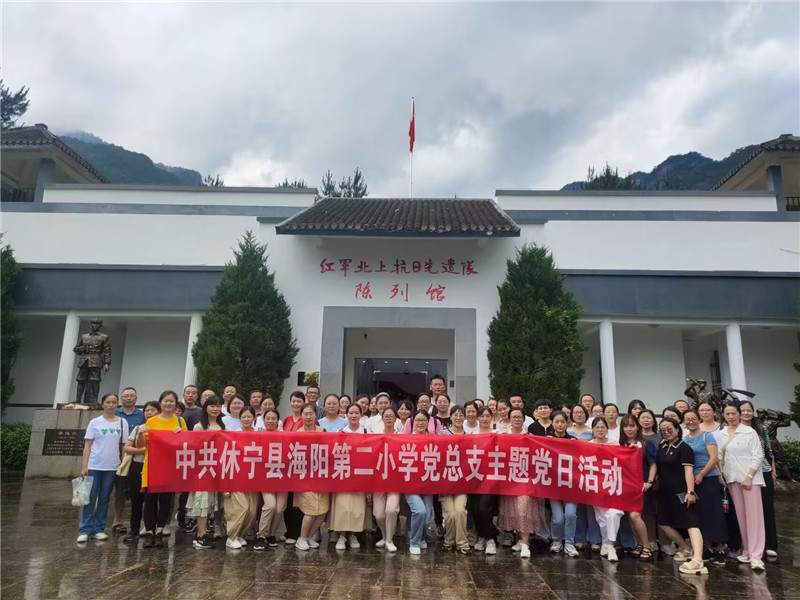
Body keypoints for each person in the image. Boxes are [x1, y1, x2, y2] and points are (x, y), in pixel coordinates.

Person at [718, 402, 766, 571]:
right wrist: (722, 475)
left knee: (754, 517)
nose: (731, 417)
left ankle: (756, 555)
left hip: (750, 479)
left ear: (739, 414)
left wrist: (749, 476)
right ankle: (746, 550)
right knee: (741, 516)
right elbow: (719, 457)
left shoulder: (749, 432)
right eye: (727, 414)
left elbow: (758, 455)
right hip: (732, 479)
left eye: (734, 413)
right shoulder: (722, 434)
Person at [656, 417, 707, 574]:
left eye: (669, 429)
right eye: (663, 430)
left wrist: (690, 492)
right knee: (664, 523)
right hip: (665, 492)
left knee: (691, 523)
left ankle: (698, 560)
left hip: (682, 491)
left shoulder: (684, 448)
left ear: (677, 429)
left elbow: (688, 471)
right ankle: (687, 549)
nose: (666, 432)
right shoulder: (662, 446)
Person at [77, 393, 129, 543]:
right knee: (90, 497)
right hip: (95, 465)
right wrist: (84, 466)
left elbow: (124, 445)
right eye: (108, 402)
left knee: (105, 497)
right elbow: (87, 445)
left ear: (117, 404)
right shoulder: (95, 422)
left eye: (114, 402)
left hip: (112, 466)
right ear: (103, 404)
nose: (111, 405)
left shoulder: (122, 422)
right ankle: (84, 530)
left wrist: (123, 464)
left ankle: (98, 529)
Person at [137, 390, 187, 547]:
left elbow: (186, 444)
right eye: (166, 401)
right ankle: (149, 532)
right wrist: (140, 433)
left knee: (166, 500)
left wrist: (180, 435)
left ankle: (159, 531)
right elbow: (141, 444)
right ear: (160, 403)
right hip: (152, 466)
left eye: (172, 401)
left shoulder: (179, 421)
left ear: (176, 404)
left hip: (170, 466)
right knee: (150, 500)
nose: (168, 403)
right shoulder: (151, 421)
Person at [683, 409, 727, 565]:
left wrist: (701, 474)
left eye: (693, 419)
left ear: (698, 419)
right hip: (692, 481)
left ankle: (720, 547)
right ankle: (707, 546)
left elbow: (714, 458)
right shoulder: (685, 439)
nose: (691, 422)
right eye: (687, 419)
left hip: (708, 478)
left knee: (714, 512)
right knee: (700, 514)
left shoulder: (707, 436)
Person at [498, 408, 539, 558]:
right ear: (509, 419)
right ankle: (519, 539)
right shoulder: (502, 436)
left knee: (524, 508)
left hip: (526, 479)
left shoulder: (530, 437)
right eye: (514, 417)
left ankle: (525, 543)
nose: (516, 419)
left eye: (519, 417)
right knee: (513, 510)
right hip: (509, 479)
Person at [740, 400, 778, 559]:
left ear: (753, 412)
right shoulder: (734, 429)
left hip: (763, 470)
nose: (746, 413)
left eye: (749, 410)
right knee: (747, 510)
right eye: (743, 410)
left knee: (767, 507)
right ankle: (749, 544)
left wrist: (773, 472)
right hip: (743, 473)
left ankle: (770, 544)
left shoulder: (762, 428)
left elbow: (769, 451)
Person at [331, 404, 368, 550]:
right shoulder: (340, 432)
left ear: (361, 414)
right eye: (351, 413)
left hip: (360, 475)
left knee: (357, 507)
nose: (353, 415)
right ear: (346, 415)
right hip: (343, 474)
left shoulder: (366, 432)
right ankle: (342, 535)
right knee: (343, 506)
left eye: (356, 413)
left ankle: (353, 535)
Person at [618, 415, 655, 562]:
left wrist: (649, 482)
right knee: (630, 517)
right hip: (625, 487)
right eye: (626, 426)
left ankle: (647, 545)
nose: (629, 429)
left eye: (632, 425)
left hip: (641, 486)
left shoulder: (646, 444)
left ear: (637, 427)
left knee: (635, 516)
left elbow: (653, 464)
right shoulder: (619, 445)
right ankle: (639, 543)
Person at [190, 395, 225, 550]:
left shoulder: (221, 426)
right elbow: (194, 446)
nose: (215, 409)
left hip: (217, 469)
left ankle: (203, 532)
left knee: (211, 502)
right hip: (203, 469)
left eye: (218, 406)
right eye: (212, 406)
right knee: (202, 501)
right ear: (206, 408)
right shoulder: (199, 426)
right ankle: (200, 534)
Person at [122, 400, 160, 544]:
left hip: (155, 467)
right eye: (147, 410)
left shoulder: (162, 428)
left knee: (151, 500)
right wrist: (143, 450)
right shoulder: (139, 428)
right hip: (138, 466)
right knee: (136, 499)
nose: (149, 413)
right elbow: (127, 448)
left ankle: (150, 529)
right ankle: (134, 529)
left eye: (153, 410)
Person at [111, 386, 145, 535]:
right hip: (116, 456)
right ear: (121, 398)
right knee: (119, 491)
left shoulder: (141, 415)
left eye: (132, 396)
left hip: (135, 458)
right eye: (126, 396)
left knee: (135, 492)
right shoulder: (115, 413)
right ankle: (117, 520)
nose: (129, 398)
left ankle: (139, 523)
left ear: (136, 398)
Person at [224, 407, 259, 549]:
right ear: (239, 418)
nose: (246, 419)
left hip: (253, 478)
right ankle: (231, 536)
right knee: (242, 507)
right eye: (243, 417)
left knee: (252, 510)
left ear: (254, 418)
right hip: (237, 477)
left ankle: (240, 534)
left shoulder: (259, 435)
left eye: (249, 416)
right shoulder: (233, 435)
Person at [295, 403, 329, 550]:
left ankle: (309, 537)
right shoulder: (297, 433)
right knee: (311, 509)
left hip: (321, 476)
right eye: (305, 414)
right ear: (301, 415)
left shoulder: (323, 431)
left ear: (316, 415)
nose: (308, 417)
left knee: (322, 511)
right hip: (305, 476)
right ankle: (301, 538)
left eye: (311, 414)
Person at [588, 417, 622, 562]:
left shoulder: (615, 444)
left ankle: (611, 545)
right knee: (602, 518)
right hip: (596, 486)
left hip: (613, 485)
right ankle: (605, 542)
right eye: (597, 427)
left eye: (603, 427)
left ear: (607, 429)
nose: (600, 430)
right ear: (593, 430)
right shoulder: (588, 445)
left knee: (614, 513)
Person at [254, 408, 287, 550]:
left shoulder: (285, 436)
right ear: (263, 420)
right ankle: (261, 535)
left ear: (278, 420)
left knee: (279, 509)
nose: (270, 421)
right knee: (270, 505)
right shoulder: (258, 436)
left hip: (282, 477)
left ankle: (271, 534)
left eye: (273, 418)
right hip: (265, 477)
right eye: (268, 418)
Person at [438, 406, 470, 554]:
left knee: (460, 511)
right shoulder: (442, 434)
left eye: (461, 415)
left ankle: (462, 543)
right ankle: (449, 541)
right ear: (450, 417)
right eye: (455, 415)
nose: (458, 418)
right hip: (445, 482)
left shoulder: (469, 436)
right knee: (450, 515)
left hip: (462, 482)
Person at [548, 413, 579, 557]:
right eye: (557, 422)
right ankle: (557, 541)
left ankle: (569, 543)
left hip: (571, 486)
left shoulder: (573, 440)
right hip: (553, 486)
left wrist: (575, 445)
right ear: (552, 424)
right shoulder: (546, 440)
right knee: (558, 518)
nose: (560, 424)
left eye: (562, 422)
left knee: (571, 515)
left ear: (567, 423)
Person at [405, 410, 435, 555]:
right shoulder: (406, 439)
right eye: (417, 420)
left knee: (427, 514)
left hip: (428, 484)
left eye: (423, 420)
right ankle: (414, 541)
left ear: (428, 422)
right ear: (413, 422)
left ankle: (422, 536)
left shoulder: (434, 440)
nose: (420, 423)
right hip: (410, 485)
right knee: (420, 511)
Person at [469, 406, 498, 555]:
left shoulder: (497, 434)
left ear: (492, 417)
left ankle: (490, 539)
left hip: (491, 478)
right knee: (475, 509)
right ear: (478, 418)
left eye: (487, 416)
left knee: (483, 508)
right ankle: (481, 536)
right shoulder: (471, 435)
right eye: (482, 416)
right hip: (474, 477)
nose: (485, 419)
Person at [373, 408, 400, 552]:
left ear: (396, 418)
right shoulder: (376, 436)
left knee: (391, 510)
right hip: (378, 481)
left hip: (395, 481)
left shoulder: (402, 436)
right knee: (378, 514)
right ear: (382, 418)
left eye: (391, 416)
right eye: (386, 416)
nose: (388, 418)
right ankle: (384, 536)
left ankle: (389, 540)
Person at [282, 391, 306, 544]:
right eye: (294, 401)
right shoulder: (286, 420)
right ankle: (288, 530)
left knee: (299, 499)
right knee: (288, 499)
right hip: (286, 465)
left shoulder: (306, 419)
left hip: (301, 465)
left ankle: (297, 532)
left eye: (299, 401)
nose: (296, 404)